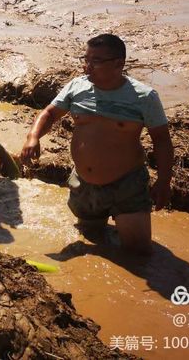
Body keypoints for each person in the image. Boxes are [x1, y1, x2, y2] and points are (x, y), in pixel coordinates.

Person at [20, 34, 174, 254]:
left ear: (119, 64)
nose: (87, 67)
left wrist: (164, 181)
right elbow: (50, 113)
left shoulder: (144, 97)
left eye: (96, 61)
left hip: (126, 185)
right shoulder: (77, 87)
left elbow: (162, 141)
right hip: (84, 184)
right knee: (92, 238)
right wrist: (33, 137)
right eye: (86, 59)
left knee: (138, 252)